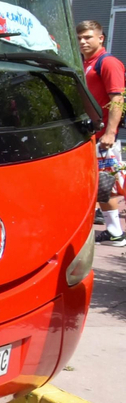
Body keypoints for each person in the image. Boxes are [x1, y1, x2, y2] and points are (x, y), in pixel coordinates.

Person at [79, 20, 126, 246]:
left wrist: (110, 133)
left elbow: (117, 99)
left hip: (103, 137)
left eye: (88, 37)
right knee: (97, 184)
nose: (82, 41)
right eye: (79, 38)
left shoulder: (108, 63)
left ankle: (116, 233)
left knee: (105, 184)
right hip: (89, 135)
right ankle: (113, 232)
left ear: (100, 38)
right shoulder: (87, 63)